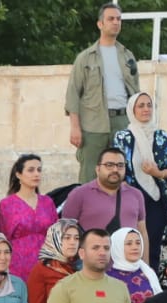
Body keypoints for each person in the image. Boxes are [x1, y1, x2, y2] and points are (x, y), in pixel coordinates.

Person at [64, 3, 138, 183]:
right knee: (90, 173)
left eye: (119, 19)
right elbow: (73, 93)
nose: (115, 22)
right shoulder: (85, 57)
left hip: (122, 120)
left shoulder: (127, 56)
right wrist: (75, 127)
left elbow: (136, 93)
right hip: (93, 124)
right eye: (111, 19)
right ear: (100, 24)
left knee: (124, 171)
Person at [111, 92, 167, 271]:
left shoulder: (161, 136)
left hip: (156, 199)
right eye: (141, 106)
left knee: (154, 246)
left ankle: (153, 288)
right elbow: (117, 166)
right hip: (130, 198)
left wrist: (158, 172)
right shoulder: (123, 137)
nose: (146, 109)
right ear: (132, 110)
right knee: (131, 243)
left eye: (149, 105)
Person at [60, 147, 146, 250]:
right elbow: (65, 232)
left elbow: (142, 233)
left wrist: (145, 265)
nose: (115, 170)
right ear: (98, 169)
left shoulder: (136, 195)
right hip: (90, 264)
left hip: (128, 265)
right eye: (109, 165)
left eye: (120, 165)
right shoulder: (79, 194)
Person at [0, 155, 57, 285]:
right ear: (18, 174)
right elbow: (2, 237)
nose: (36, 174)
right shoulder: (7, 204)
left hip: (46, 264)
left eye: (39, 170)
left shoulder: (47, 202)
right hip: (17, 266)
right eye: (31, 170)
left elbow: (56, 236)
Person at [26, 219, 79, 303]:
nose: (73, 242)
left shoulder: (80, 269)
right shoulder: (41, 270)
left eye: (76, 238)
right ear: (54, 238)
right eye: (67, 238)